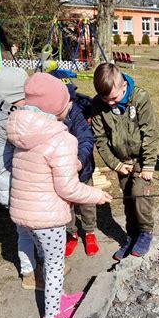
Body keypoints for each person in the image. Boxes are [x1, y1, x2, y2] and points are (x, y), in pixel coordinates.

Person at [7, 73, 112, 318]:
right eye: (67, 101)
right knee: (54, 267)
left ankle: (60, 299)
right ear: (59, 107)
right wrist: (96, 195)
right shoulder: (62, 140)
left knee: (46, 259)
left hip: (22, 214)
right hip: (47, 218)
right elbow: (68, 188)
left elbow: (16, 168)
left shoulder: (21, 132)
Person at [0, 67, 45, 290]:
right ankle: (32, 272)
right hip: (13, 185)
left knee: (27, 230)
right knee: (32, 230)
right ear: (8, 98)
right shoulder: (4, 123)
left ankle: (37, 266)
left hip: (9, 182)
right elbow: (33, 138)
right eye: (22, 99)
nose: (25, 103)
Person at [91, 63, 159, 260]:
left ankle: (146, 232)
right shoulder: (98, 105)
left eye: (114, 98)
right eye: (105, 99)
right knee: (128, 197)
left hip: (141, 158)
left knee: (139, 194)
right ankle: (132, 236)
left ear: (123, 87)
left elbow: (150, 133)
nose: (110, 103)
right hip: (122, 161)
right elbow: (101, 140)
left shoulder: (140, 98)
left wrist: (147, 165)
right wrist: (116, 164)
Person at [49, 69, 101, 257]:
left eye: (72, 99)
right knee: (66, 203)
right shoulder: (45, 118)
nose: (70, 103)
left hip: (82, 168)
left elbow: (86, 138)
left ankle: (89, 232)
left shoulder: (76, 112)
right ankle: (71, 233)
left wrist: (80, 160)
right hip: (60, 173)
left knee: (87, 202)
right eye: (66, 99)